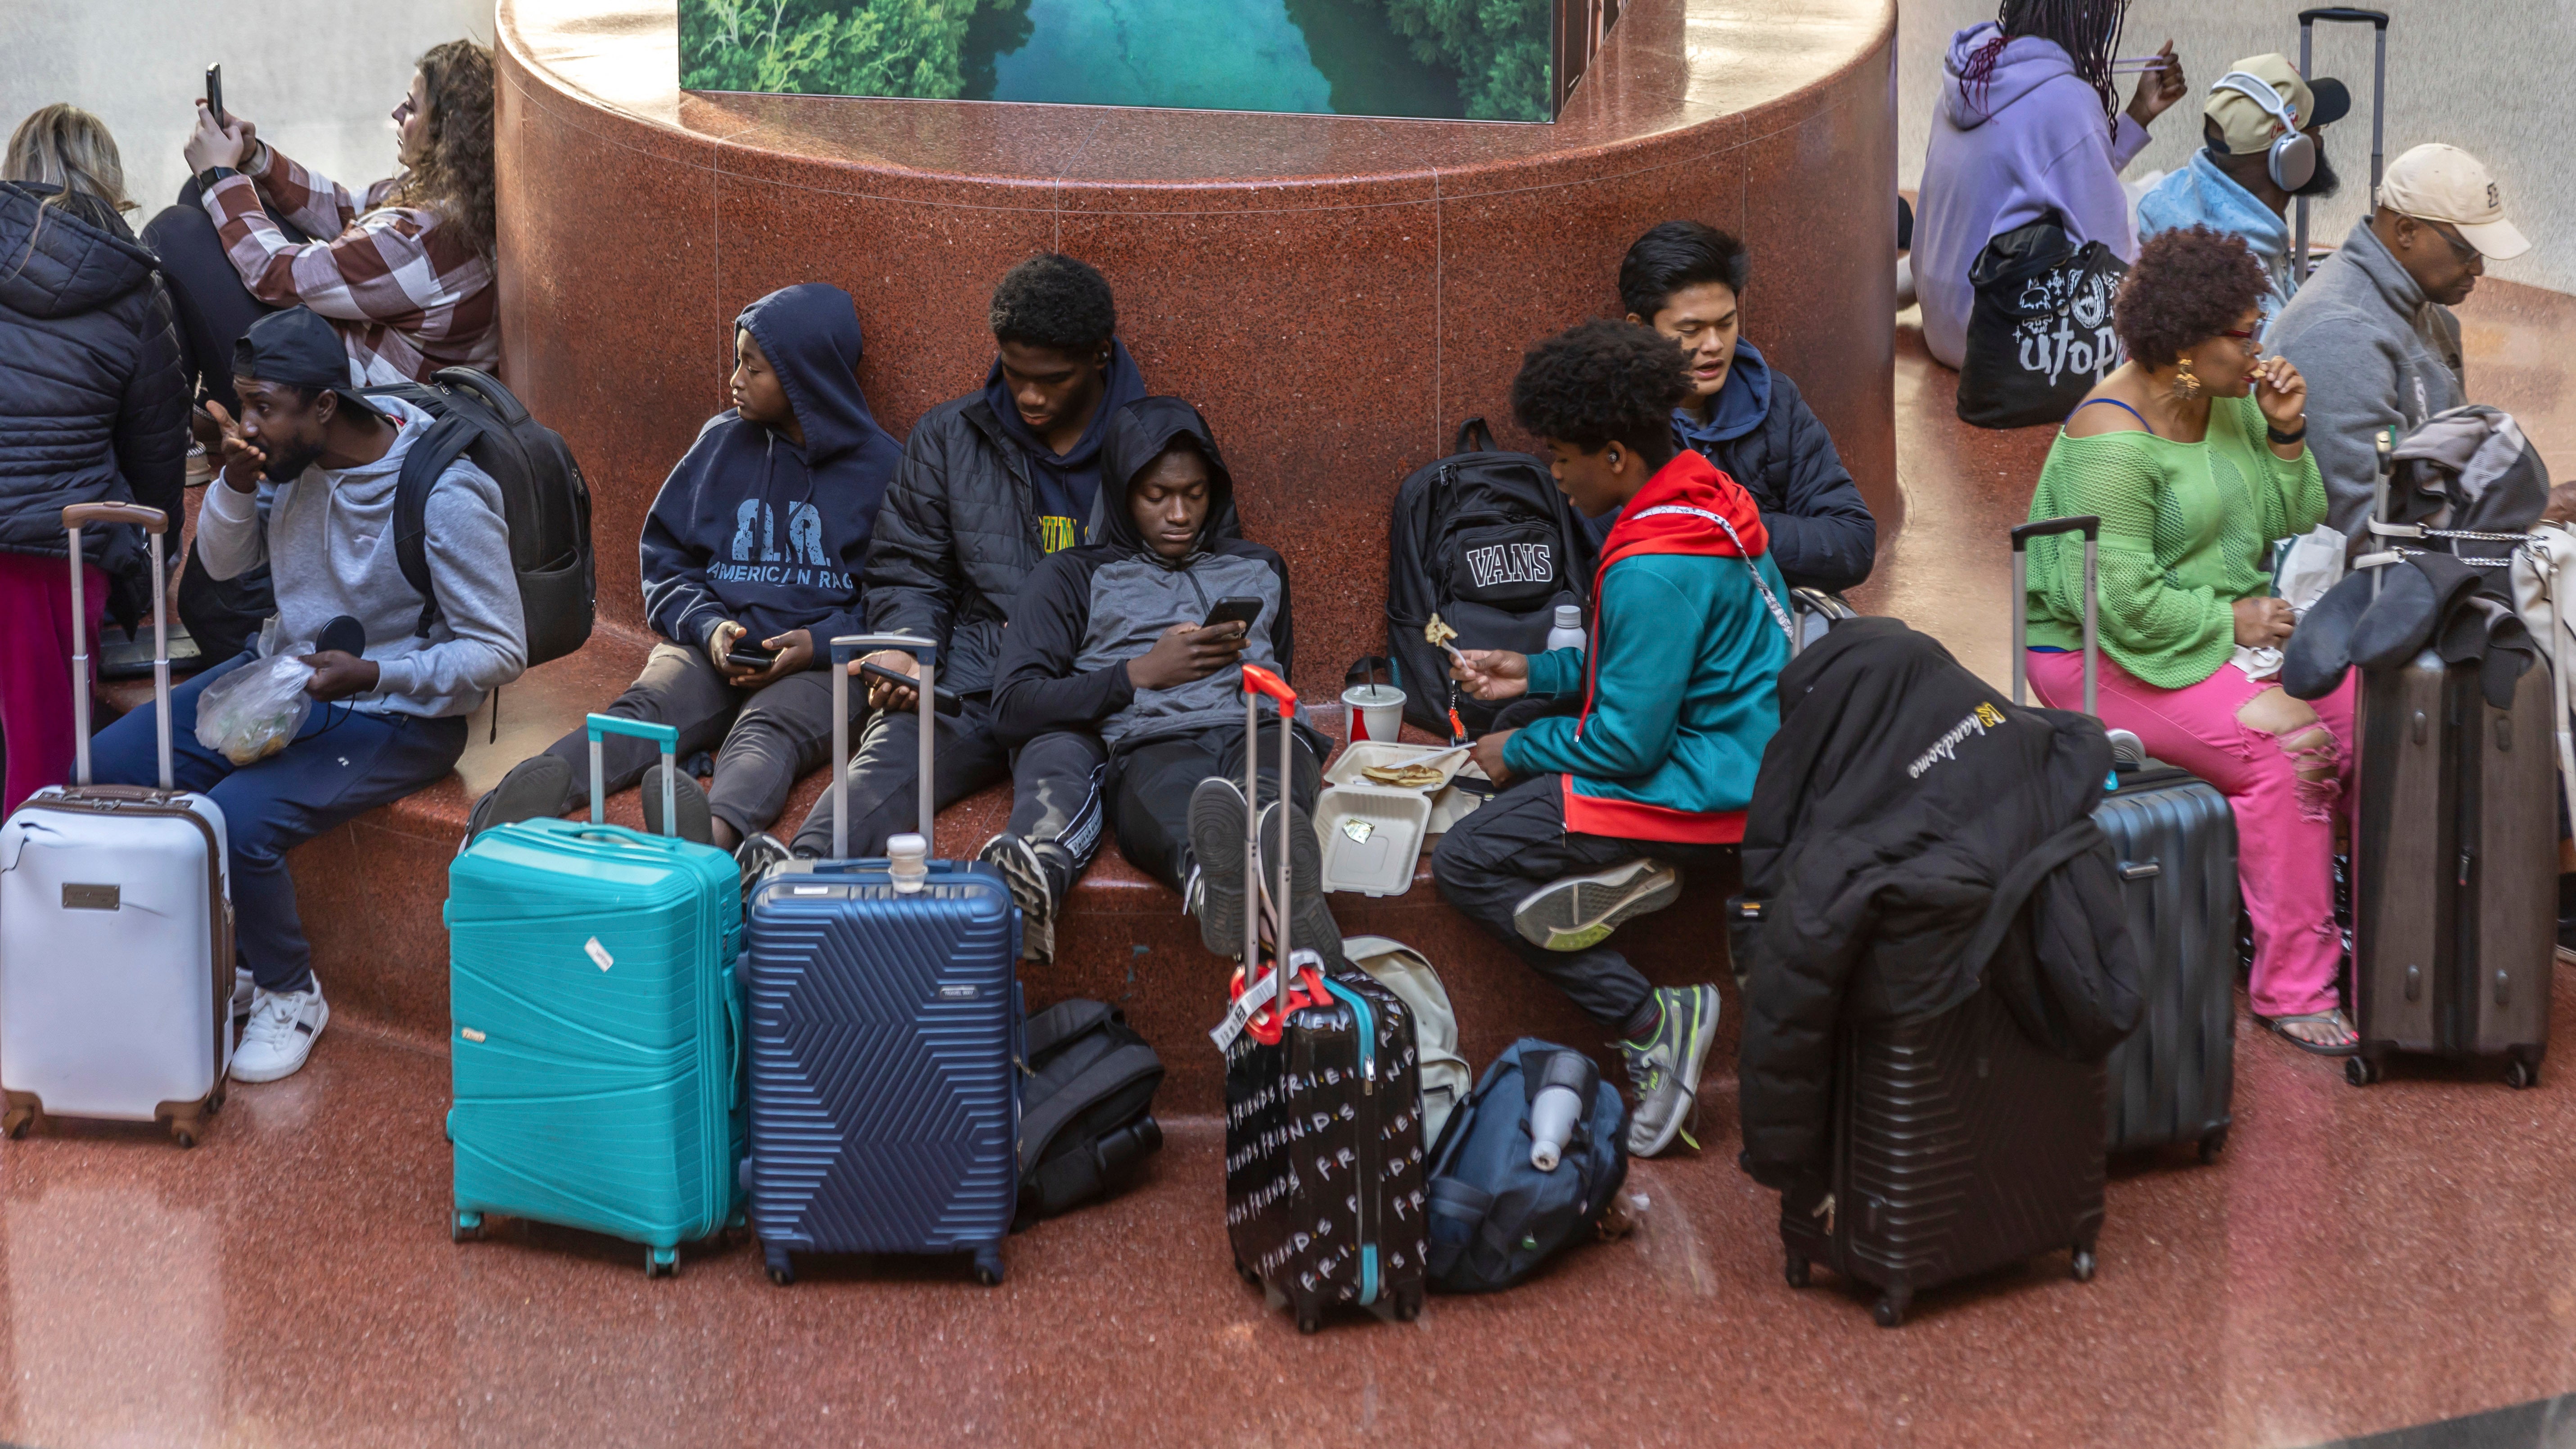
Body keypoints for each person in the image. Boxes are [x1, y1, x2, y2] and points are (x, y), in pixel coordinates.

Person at [90, 306, 525, 1084]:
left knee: (237, 820)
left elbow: (499, 648)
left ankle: (290, 990)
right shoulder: (289, 464)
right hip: (285, 677)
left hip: (399, 711)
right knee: (115, 765)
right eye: (243, 402)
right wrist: (232, 480)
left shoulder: (446, 492)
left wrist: (378, 673)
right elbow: (221, 573)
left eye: (265, 407)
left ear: (324, 406)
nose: (249, 422)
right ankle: (238, 960)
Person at [1434, 320, 1793, 1157]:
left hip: (1713, 792)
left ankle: (1650, 1018)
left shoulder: (1650, 567)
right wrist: (1531, 677)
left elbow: (1626, 747)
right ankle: (1623, 870)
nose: (1554, 476)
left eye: (1562, 457)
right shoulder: (1695, 495)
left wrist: (1517, 751)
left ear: (1615, 458)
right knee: (1519, 724)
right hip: (1742, 744)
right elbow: (1656, 668)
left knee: (1466, 859)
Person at [2019, 226, 2350, 1052]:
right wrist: (2226, 621)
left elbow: (2293, 515)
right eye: (2242, 333)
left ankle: (2322, 908)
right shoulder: (2110, 442)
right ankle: (2292, 983)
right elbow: (2118, 601)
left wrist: (2283, 431)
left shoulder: (2225, 398)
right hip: (2095, 654)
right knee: (2290, 748)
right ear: (2181, 346)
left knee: (2359, 703)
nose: (2258, 347)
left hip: (2207, 635)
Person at [774, 254, 1159, 963]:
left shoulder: (1159, 445)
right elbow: (909, 569)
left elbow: (1188, 572)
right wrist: (903, 648)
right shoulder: (951, 436)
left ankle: (1028, 878)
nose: (1031, 397)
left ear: (1099, 356)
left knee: (1058, 768)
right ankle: (788, 882)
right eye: (1015, 375)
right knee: (888, 757)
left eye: (1054, 379)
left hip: (1077, 685)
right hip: (973, 670)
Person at [466, 284, 899, 858]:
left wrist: (818, 645)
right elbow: (667, 563)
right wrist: (709, 628)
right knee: (645, 710)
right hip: (712, 645)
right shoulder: (721, 443)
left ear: (806, 378)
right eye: (736, 362)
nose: (734, 382)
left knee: (766, 731)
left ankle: (710, 841)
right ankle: (512, 805)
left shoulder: (885, 470)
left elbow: (902, 598)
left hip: (823, 665)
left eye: (754, 368)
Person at [991, 396, 1339, 966]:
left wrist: (1240, 660)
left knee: (1269, 788)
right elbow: (1010, 708)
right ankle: (1215, 885)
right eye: (1157, 496)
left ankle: (1273, 868)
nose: (1178, 514)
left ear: (1215, 491)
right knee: (1181, 803)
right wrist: (1140, 674)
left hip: (1258, 723)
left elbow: (1285, 670)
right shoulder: (1072, 576)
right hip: (1153, 740)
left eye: (1194, 494)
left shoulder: (1260, 565)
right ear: (1124, 492)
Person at [0, 105, 187, 813]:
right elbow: (158, 450)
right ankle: (32, 914)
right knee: (43, 768)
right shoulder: (136, 285)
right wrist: (151, 571)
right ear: (107, 174)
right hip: (54, 555)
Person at [145, 38, 497, 414]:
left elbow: (275, 274)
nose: (396, 113)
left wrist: (219, 175)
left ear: (448, 133)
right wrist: (253, 159)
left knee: (173, 233)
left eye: (411, 108)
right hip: (345, 359)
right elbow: (347, 208)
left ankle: (170, 430)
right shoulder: (460, 199)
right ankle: (204, 412)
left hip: (342, 413)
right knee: (200, 197)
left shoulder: (419, 239)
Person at [2269, 143, 2534, 538]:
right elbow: (2359, 530)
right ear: (2407, 231)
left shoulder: (2429, 313)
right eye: (2466, 250)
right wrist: (2531, 517)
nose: (2478, 268)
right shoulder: (2340, 336)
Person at [1913, 0, 2189, 370]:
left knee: (2143, 194)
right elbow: (2110, 255)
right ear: (2089, 16)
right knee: (2156, 221)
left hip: (1940, 324)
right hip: (1996, 344)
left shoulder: (1970, 74)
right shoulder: (2068, 101)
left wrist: (2140, 111)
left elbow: (2053, 171)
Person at [1612, 220, 1877, 593]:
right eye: (1690, 331)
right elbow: (1637, 564)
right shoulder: (1613, 424)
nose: (1713, 345)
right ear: (1640, 330)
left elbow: (1853, 542)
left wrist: (1723, 524)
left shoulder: (1775, 399)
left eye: (1726, 323)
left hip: (1790, 615)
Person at [2135, 55, 2349, 331]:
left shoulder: (2169, 200)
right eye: (2316, 130)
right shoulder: (2247, 300)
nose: (2320, 140)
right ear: (2291, 156)